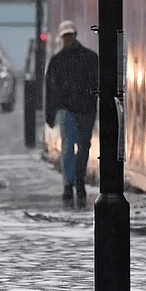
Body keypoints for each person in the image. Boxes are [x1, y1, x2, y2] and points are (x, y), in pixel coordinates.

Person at [45, 20, 98, 208]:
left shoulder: (58, 61)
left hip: (75, 108)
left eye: (69, 36)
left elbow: (51, 89)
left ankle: (73, 183)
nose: (68, 39)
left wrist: (50, 113)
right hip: (79, 109)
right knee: (75, 147)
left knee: (77, 147)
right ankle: (74, 184)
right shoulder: (89, 58)